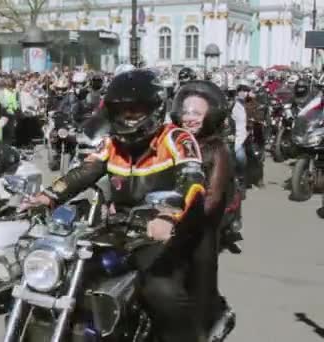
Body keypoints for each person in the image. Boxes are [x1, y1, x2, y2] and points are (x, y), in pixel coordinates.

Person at [21, 69, 207, 342]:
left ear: (155, 109)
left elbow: (193, 184)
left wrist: (168, 216)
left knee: (160, 291)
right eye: (121, 112)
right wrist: (47, 197)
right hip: (117, 229)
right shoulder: (112, 144)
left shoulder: (176, 138)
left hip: (163, 232)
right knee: (68, 275)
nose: (127, 118)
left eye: (135, 111)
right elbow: (82, 173)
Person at [170, 80, 236, 333]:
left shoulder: (216, 149)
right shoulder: (172, 142)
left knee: (198, 278)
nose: (189, 118)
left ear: (210, 115)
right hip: (167, 220)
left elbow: (212, 198)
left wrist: (182, 221)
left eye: (197, 113)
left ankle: (200, 330)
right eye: (185, 112)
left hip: (199, 226)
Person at [231, 81, 249, 195]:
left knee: (242, 156)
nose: (243, 93)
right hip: (234, 136)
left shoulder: (251, 104)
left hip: (247, 136)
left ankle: (242, 179)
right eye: (241, 90)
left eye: (245, 90)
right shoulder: (232, 105)